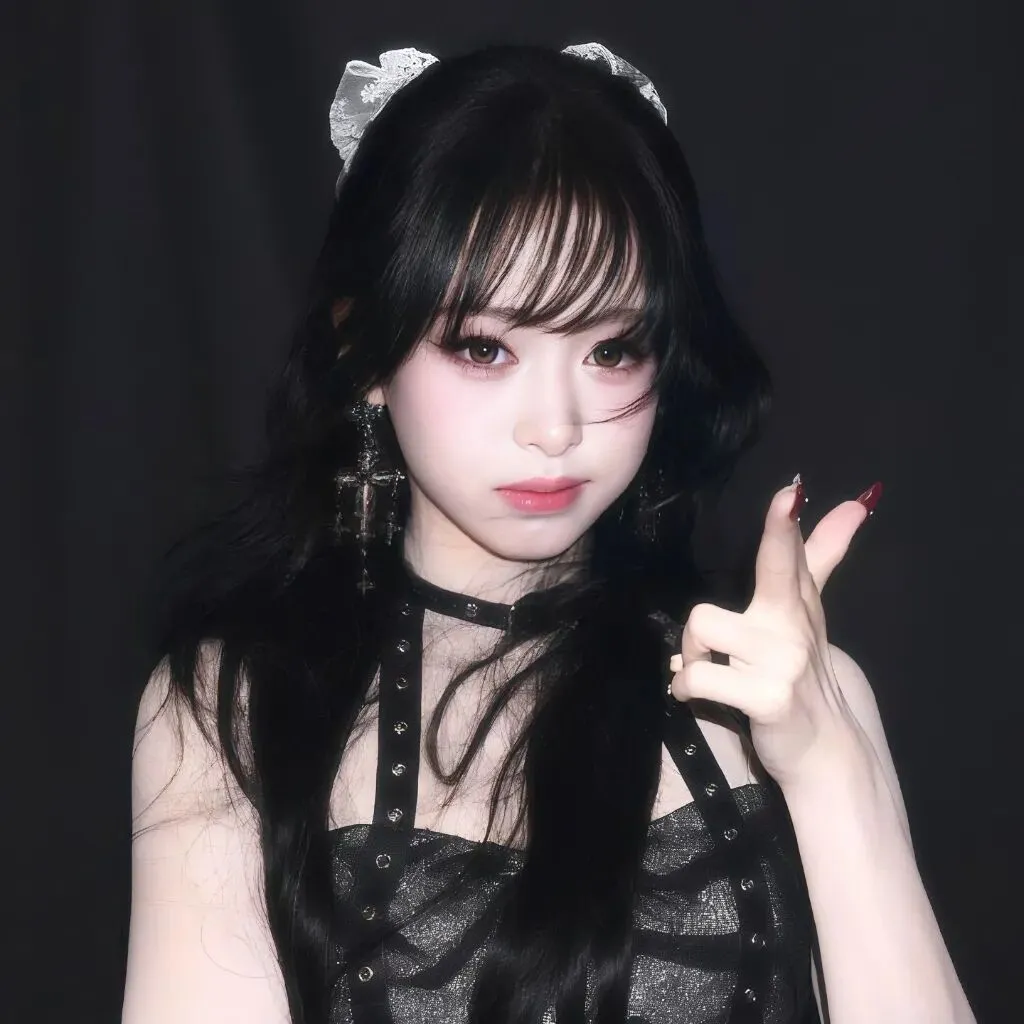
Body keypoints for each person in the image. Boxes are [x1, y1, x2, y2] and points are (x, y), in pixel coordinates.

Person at [121, 41, 976, 1024]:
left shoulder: (792, 692)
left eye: (611, 349)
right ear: (363, 352)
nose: (556, 427)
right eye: (485, 347)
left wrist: (829, 767)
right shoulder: (229, 709)